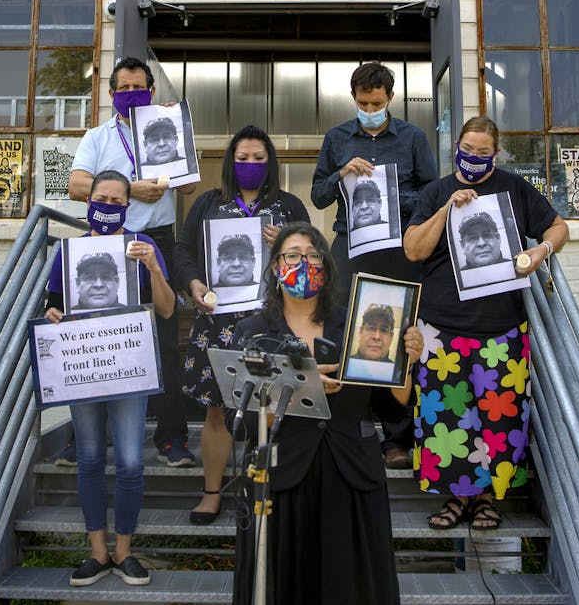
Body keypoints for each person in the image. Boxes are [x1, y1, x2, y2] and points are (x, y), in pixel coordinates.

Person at [230, 222, 423, 605]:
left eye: (313, 255)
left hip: (350, 472)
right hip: (283, 476)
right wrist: (299, 385)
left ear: (327, 263)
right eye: (292, 255)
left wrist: (407, 363)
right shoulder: (253, 332)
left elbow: (390, 406)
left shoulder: (356, 324)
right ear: (274, 267)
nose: (304, 264)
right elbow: (244, 420)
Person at [403, 115, 569, 532]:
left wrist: (541, 252)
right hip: (442, 328)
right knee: (448, 419)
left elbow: (559, 226)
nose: (474, 157)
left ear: (496, 152)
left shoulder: (513, 189)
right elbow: (413, 250)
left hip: (502, 327)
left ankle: (489, 503)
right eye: (468, 149)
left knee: (500, 419)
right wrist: (445, 209)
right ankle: (456, 499)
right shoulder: (435, 191)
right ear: (455, 146)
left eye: (483, 151)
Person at [43, 170, 174, 588]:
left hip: (130, 369)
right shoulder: (69, 251)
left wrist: (153, 267)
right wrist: (52, 316)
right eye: (103, 198)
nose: (110, 207)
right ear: (89, 201)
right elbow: (54, 306)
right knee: (90, 458)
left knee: (133, 462)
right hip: (83, 369)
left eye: (119, 202)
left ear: (128, 206)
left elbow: (168, 310)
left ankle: (124, 551)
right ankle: (97, 552)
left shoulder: (144, 245)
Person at [175, 125, 309, 525]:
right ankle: (212, 494)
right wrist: (193, 282)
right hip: (218, 322)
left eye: (258, 158)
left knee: (272, 410)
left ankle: (269, 491)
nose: (250, 164)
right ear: (231, 161)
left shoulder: (289, 207)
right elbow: (183, 252)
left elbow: (311, 259)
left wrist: (288, 243)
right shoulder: (207, 204)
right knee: (216, 411)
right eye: (243, 158)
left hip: (275, 322)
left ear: (271, 163)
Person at [69, 56, 198, 468]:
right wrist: (129, 189)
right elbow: (75, 185)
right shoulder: (97, 136)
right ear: (111, 94)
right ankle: (89, 436)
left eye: (137, 87)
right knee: (101, 340)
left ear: (151, 90)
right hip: (107, 242)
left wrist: (177, 141)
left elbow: (192, 183)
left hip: (156, 240)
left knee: (164, 339)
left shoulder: (165, 124)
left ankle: (172, 436)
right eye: (122, 88)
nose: (130, 94)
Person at [312, 61, 437, 469]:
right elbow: (317, 195)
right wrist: (341, 175)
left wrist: (389, 195)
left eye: (377, 102)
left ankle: (397, 438)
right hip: (350, 246)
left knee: (398, 335)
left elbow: (431, 194)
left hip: (400, 248)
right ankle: (348, 426)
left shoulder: (414, 138)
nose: (370, 107)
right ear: (353, 99)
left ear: (391, 99)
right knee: (346, 330)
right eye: (363, 102)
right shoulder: (336, 138)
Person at [343, 303, 399, 384]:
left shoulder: (398, 373)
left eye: (384, 330)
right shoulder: (344, 367)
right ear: (360, 332)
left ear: (391, 338)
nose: (377, 337)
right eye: (371, 328)